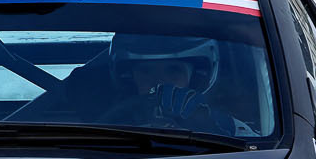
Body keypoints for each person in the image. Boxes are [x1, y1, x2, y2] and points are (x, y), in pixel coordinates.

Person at [101, 33, 240, 135]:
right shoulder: (105, 127)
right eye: (146, 71)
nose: (159, 81)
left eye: (173, 70)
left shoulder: (229, 127)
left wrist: (209, 131)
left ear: (195, 78)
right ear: (130, 79)